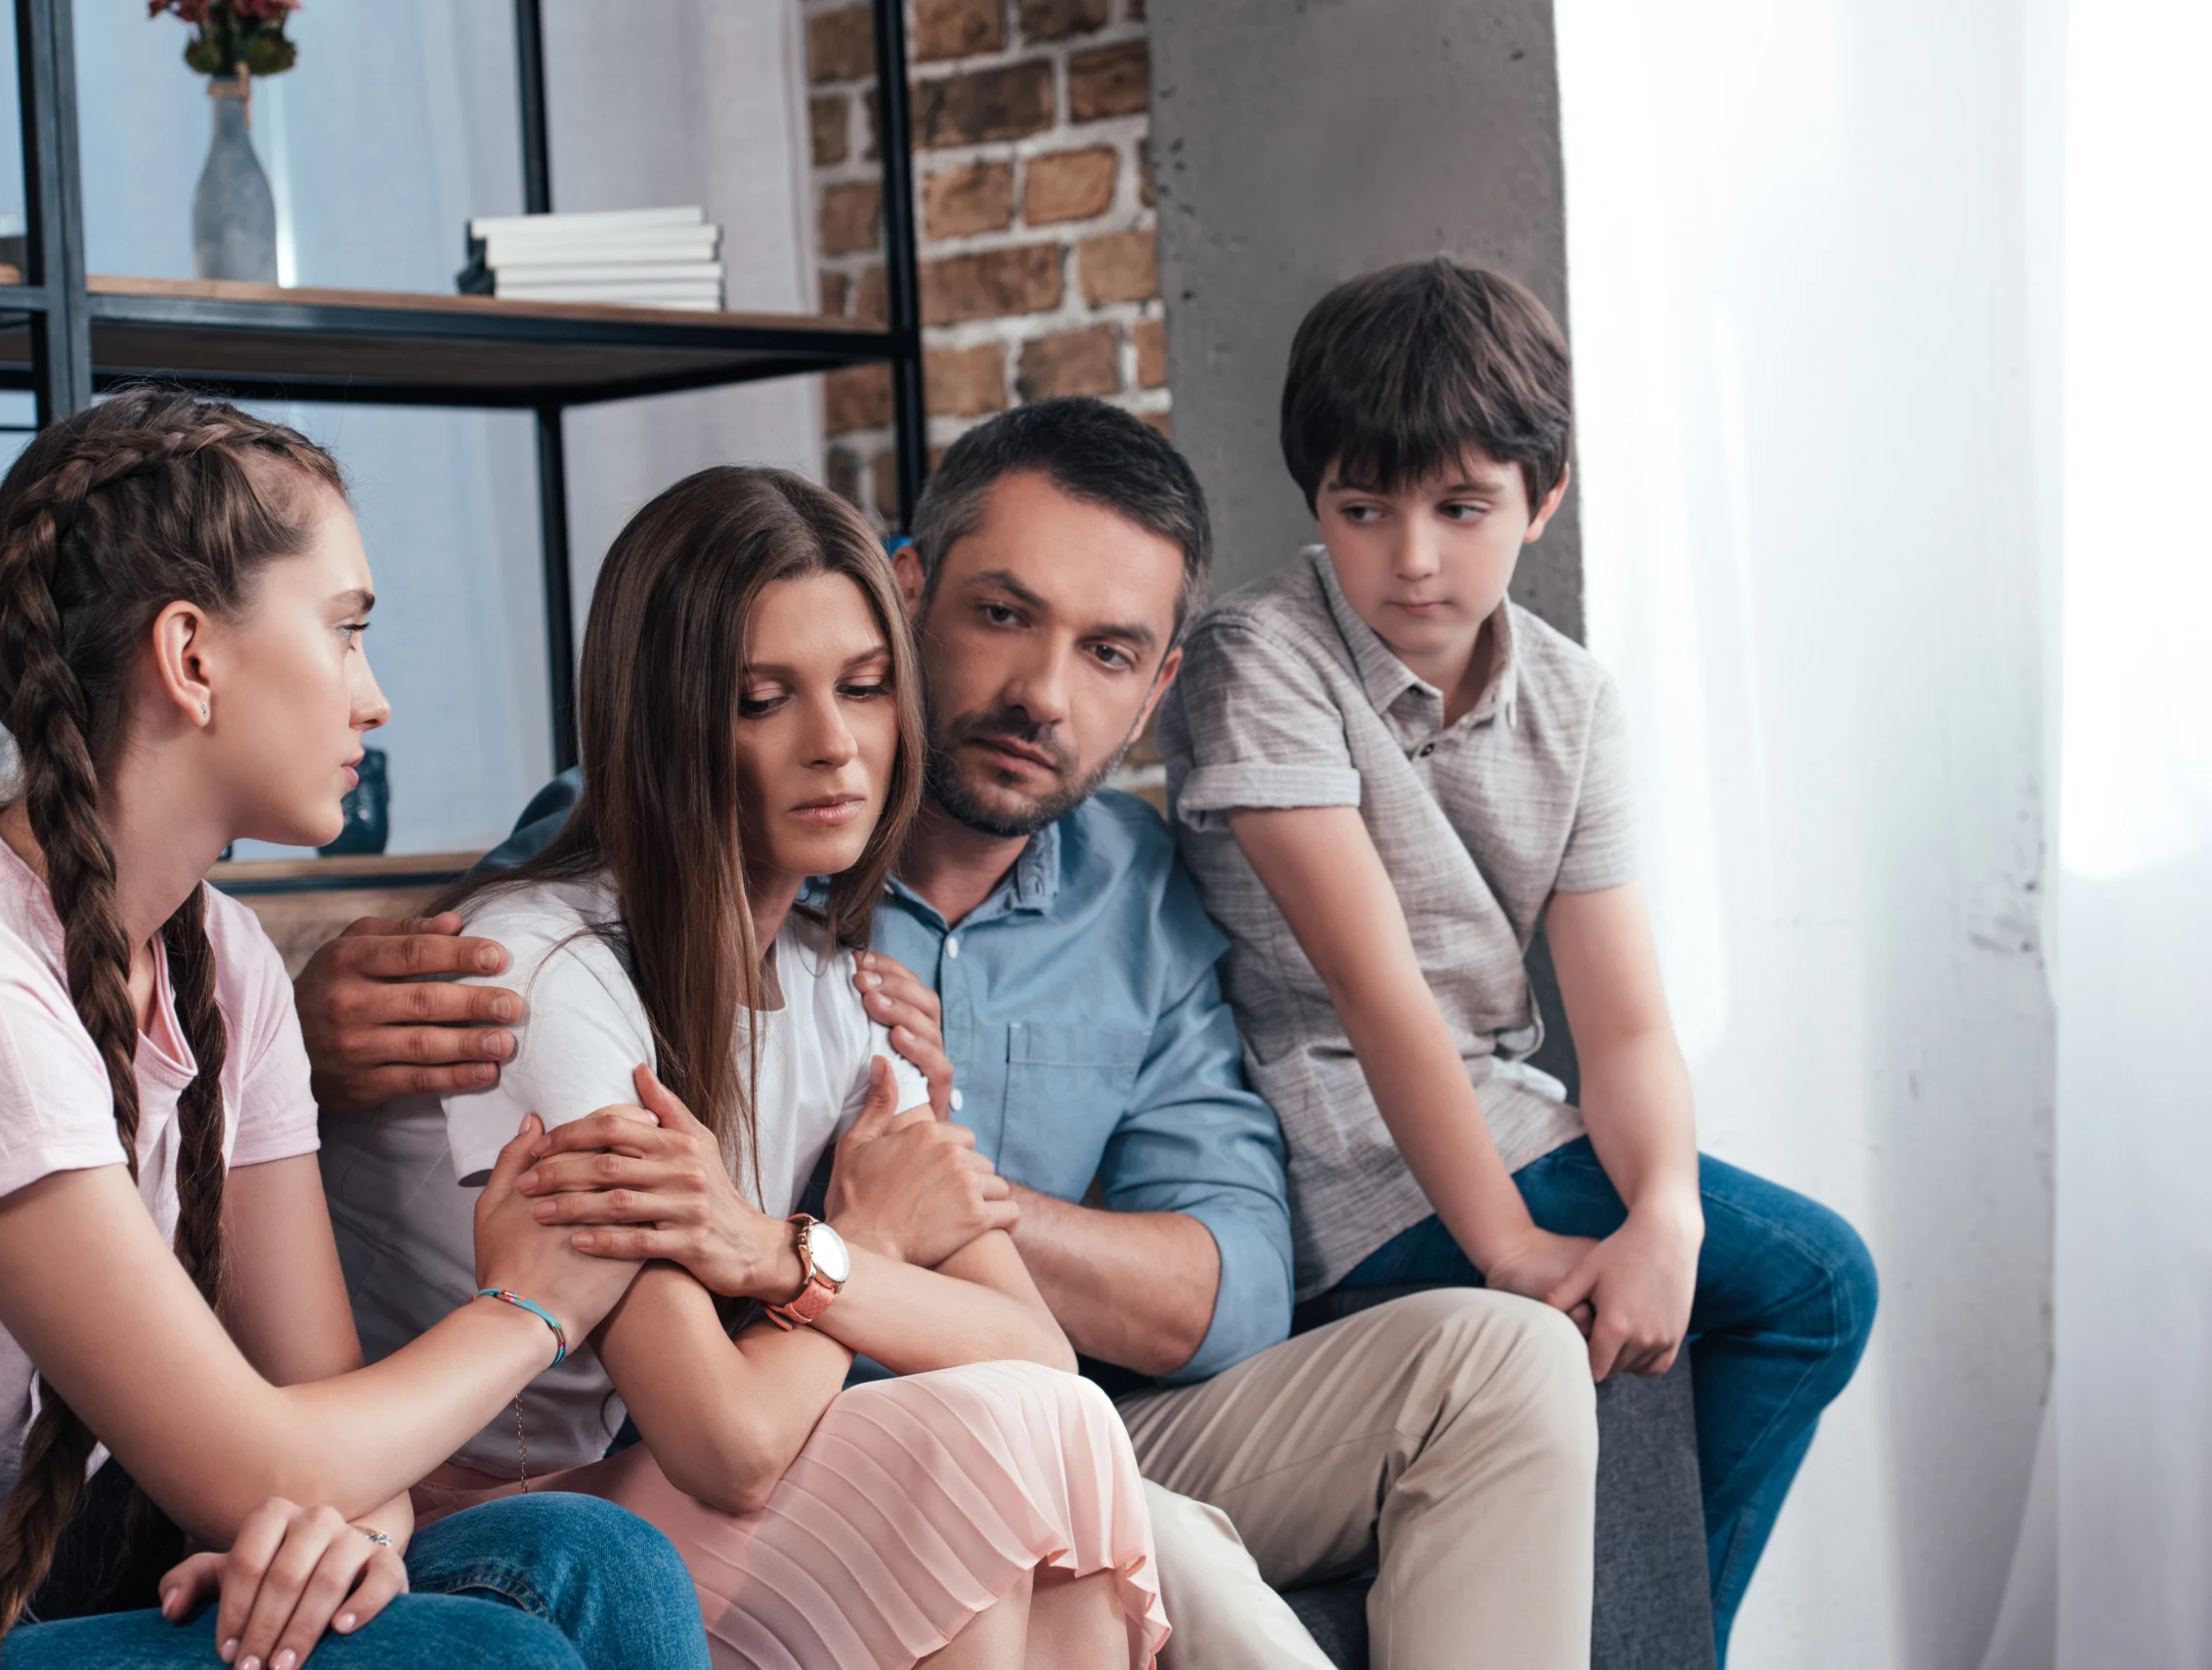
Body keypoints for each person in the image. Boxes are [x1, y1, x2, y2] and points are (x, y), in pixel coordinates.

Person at [303, 400, 1600, 1669]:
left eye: (1106, 653)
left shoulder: (913, 957)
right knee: (1019, 1451)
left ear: (1156, 689)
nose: (1037, 693)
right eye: (1002, 615)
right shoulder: (600, 917)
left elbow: (1195, 1298)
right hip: (644, 1464)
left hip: (941, 1402)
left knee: (1112, 1416)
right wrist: (858, 1242)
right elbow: (506, 948)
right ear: (915, 589)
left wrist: (863, 1228)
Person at [0, 391, 707, 1670]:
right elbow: (265, 1459)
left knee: (601, 1564)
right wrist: (531, 1307)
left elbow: (318, 1430)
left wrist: (348, 1535)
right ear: (191, 656)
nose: (377, 698)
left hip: (56, 1564)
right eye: (345, 633)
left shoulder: (224, 961)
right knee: (478, 1659)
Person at [320, 464, 1169, 1670]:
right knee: (980, 1438)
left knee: (1041, 1420)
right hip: (464, 1528)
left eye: (867, 688)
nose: (836, 747)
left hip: (639, 1488)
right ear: (668, 721)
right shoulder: (542, 971)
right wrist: (860, 1246)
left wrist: (790, 1253)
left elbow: (1041, 1350)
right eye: (763, 699)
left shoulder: (846, 987)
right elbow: (725, 1439)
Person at [1151, 257, 1881, 1660]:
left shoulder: (1571, 696)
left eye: (1460, 508)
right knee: (1799, 1284)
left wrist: (1663, 1211)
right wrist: (1511, 1249)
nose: (1410, 557)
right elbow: (1375, 997)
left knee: (1789, 1286)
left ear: (1543, 499)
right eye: (1362, 510)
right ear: (1316, 502)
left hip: (1507, 1116)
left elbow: (1621, 1026)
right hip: (1345, 1149)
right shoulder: (1261, 656)